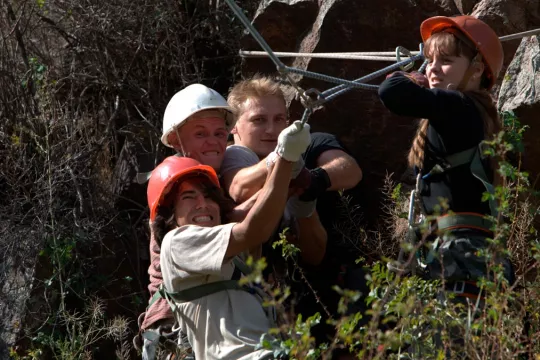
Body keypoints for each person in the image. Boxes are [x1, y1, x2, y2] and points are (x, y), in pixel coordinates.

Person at [378, 14, 514, 351]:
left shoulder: (460, 107)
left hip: (459, 255)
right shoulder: (474, 114)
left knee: (440, 347)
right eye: (428, 60)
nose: (432, 69)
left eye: (446, 61)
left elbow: (390, 91)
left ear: (478, 69)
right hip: (470, 253)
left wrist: (410, 77)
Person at [146, 120, 311, 360]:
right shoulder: (177, 243)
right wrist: (284, 159)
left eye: (209, 197)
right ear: (170, 215)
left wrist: (286, 175)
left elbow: (250, 216)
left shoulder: (228, 255)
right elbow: (251, 229)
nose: (203, 204)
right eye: (189, 198)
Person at [221, 76, 365, 347]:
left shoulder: (308, 144)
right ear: (233, 127)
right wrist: (281, 157)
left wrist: (313, 179)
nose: (271, 129)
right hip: (265, 296)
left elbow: (349, 170)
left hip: (329, 282)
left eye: (279, 119)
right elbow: (239, 187)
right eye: (258, 120)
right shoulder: (231, 158)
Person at [136, 84, 234, 358]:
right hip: (178, 324)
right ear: (176, 140)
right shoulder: (170, 183)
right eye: (200, 134)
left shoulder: (219, 175)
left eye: (219, 133)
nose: (213, 142)